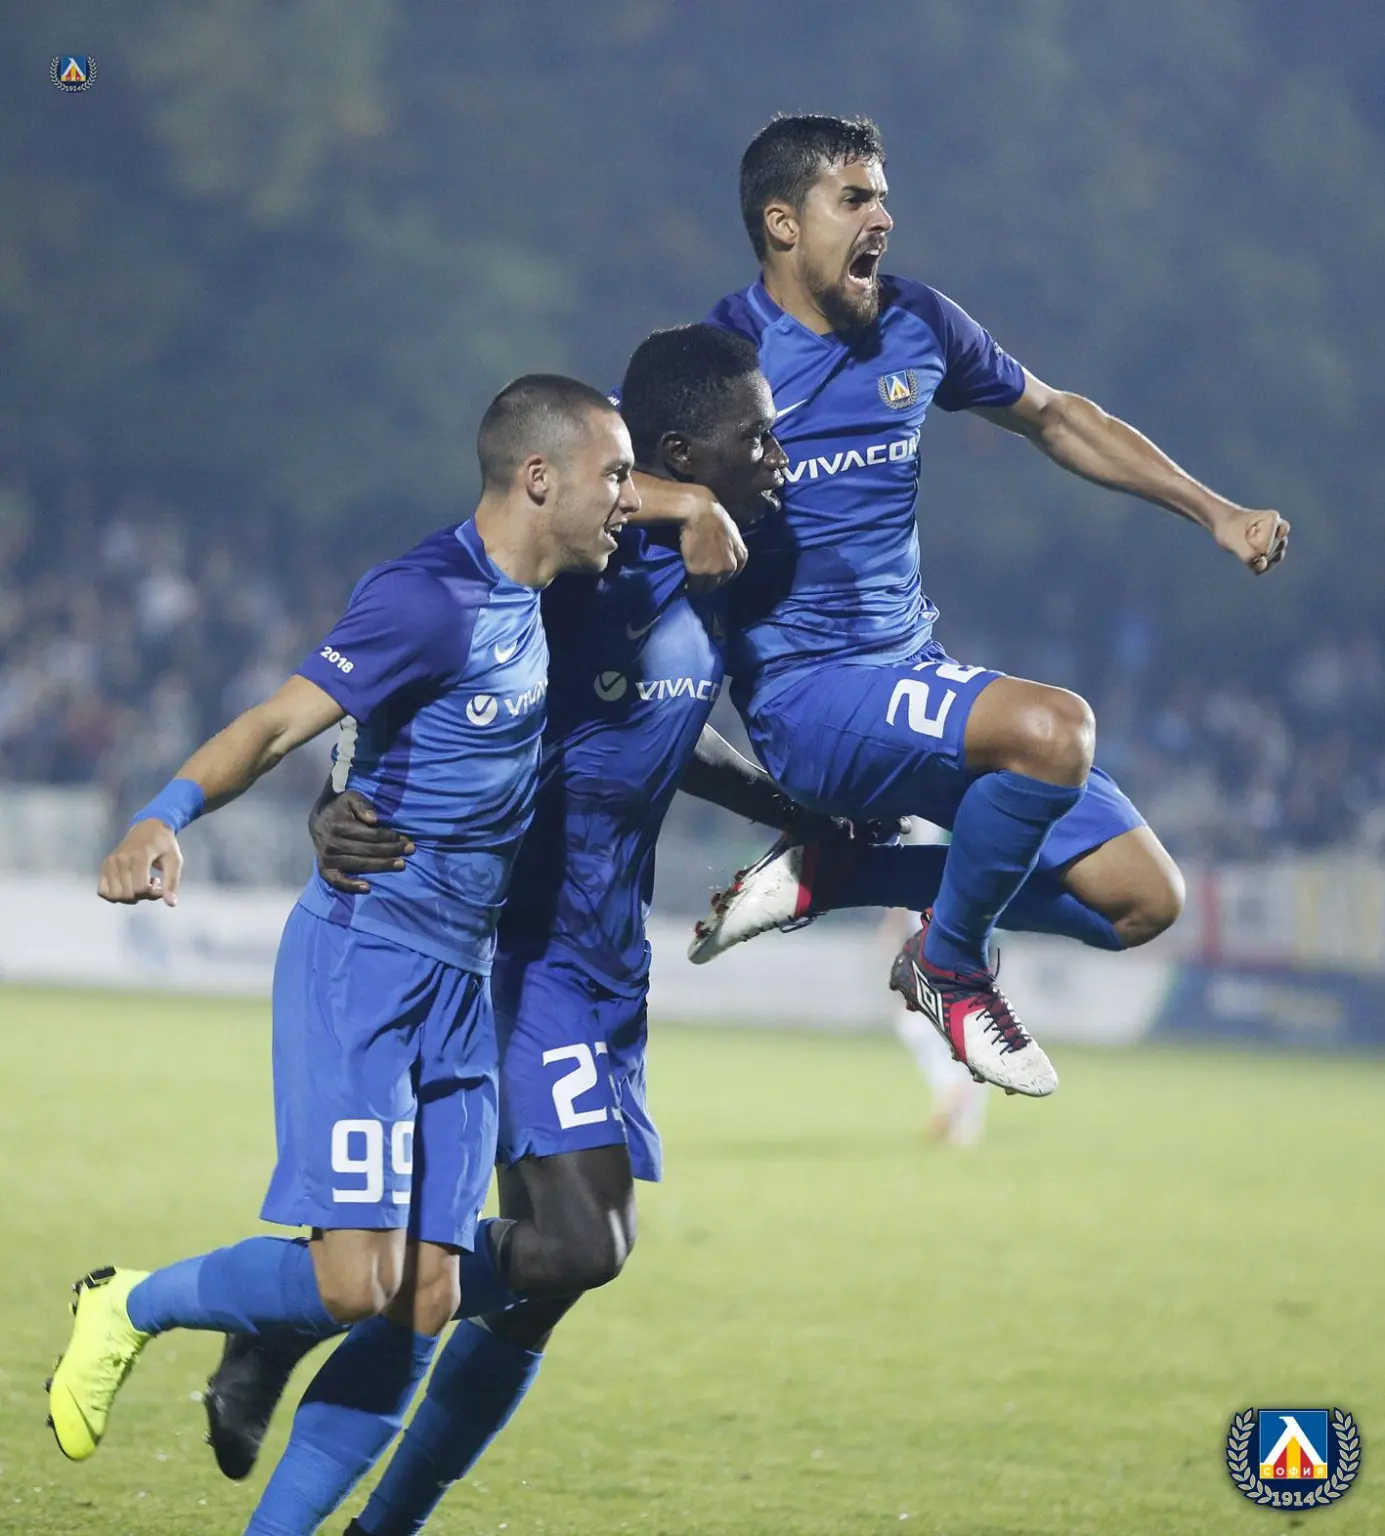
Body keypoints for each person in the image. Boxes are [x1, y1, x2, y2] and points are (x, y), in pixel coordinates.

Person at [196, 325, 863, 1536]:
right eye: (757, 439)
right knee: (578, 1244)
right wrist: (336, 795)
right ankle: (294, 1315)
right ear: (675, 457)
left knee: (545, 1284)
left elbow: (659, 729)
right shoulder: (578, 565)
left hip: (608, 958)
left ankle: (342, 1413)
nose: (779, 457)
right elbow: (418, 652)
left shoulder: (727, 570)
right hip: (516, 946)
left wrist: (792, 807)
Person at [48, 375, 639, 1536]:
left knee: (423, 1299)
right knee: (350, 1283)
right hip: (366, 960)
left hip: (461, 985)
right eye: (614, 476)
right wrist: (162, 814)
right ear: (539, 479)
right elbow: (275, 722)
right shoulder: (427, 599)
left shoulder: (555, 594)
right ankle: (131, 1302)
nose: (631, 498)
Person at [638, 113, 1289, 1097]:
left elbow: (1056, 417)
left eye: (882, 197)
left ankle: (847, 874)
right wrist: (685, 504)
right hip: (806, 698)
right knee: (1052, 730)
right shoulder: (722, 360)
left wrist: (1215, 512)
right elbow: (598, 473)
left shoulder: (916, 321)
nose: (882, 218)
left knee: (1140, 902)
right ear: (781, 222)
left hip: (911, 669)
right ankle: (948, 967)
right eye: (854, 199)